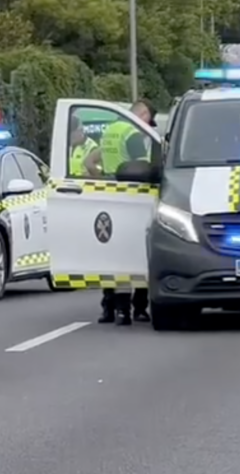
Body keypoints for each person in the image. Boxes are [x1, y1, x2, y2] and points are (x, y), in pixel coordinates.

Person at [97, 100, 156, 326]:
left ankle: (109, 307)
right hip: (132, 195)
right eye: (148, 119)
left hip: (106, 192)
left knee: (112, 254)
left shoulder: (110, 130)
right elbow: (144, 168)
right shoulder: (132, 134)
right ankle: (136, 309)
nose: (148, 124)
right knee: (135, 253)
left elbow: (96, 161)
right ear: (141, 114)